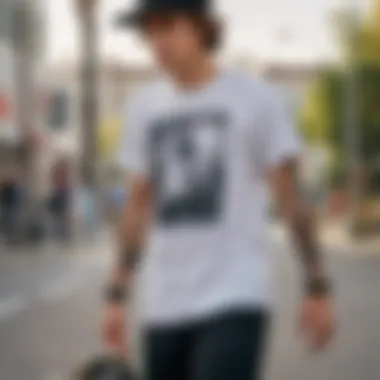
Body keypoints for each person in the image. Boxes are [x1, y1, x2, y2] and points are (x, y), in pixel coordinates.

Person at [102, 1, 335, 379]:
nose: (156, 41)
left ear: (203, 27)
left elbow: (291, 198)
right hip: (164, 304)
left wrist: (317, 285)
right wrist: (116, 295)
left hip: (235, 296)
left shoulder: (257, 100)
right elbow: (137, 207)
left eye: (168, 26)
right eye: (149, 31)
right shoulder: (143, 108)